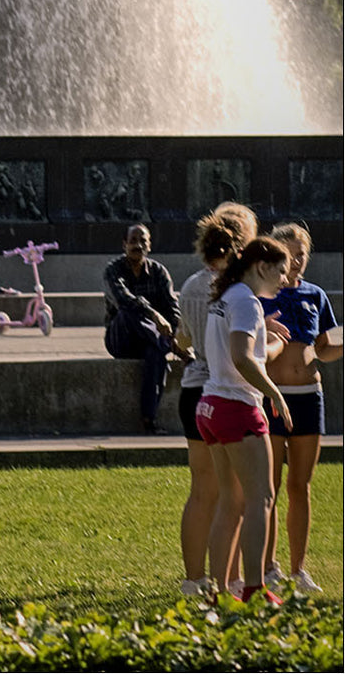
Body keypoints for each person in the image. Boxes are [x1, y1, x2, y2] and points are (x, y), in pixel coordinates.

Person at [197, 235, 293, 602]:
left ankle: (218, 591)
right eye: (281, 270)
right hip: (238, 407)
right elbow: (241, 358)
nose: (285, 279)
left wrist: (272, 341)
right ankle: (254, 587)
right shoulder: (247, 302)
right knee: (261, 499)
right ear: (262, 266)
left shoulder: (227, 296)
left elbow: (246, 354)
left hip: (210, 406)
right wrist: (274, 392)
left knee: (230, 502)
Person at [176, 203, 258, 596]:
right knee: (235, 496)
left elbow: (183, 339)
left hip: (192, 391)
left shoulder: (191, 284)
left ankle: (194, 580)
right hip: (223, 391)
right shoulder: (234, 288)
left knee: (201, 490)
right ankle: (231, 578)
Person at [260, 223, 342, 594]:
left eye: (301, 253)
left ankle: (298, 569)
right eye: (289, 253)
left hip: (309, 395)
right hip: (273, 397)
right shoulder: (260, 293)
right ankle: (268, 566)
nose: (295, 260)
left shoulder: (315, 294)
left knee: (300, 486)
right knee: (269, 487)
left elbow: (324, 348)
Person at [102, 223, 185, 433]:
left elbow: (172, 306)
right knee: (127, 311)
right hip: (121, 340)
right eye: (133, 241)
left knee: (156, 355)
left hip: (150, 341)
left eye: (143, 241)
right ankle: (168, 345)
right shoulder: (113, 270)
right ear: (124, 244)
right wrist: (154, 315)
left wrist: (173, 326)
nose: (138, 245)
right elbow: (123, 299)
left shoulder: (159, 272)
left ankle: (149, 420)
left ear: (149, 245)